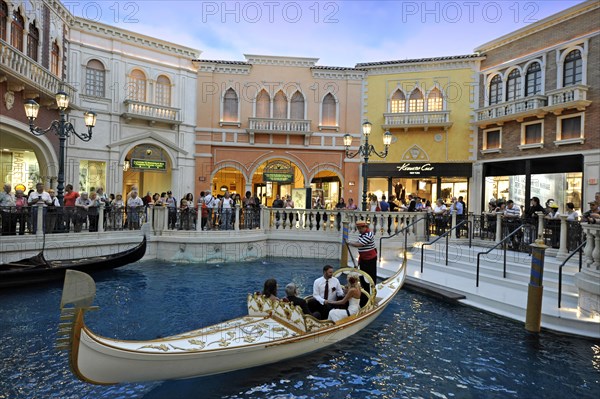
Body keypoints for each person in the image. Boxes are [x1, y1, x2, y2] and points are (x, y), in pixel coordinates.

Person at [347, 220, 377, 290]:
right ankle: (364, 290)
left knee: (369, 276)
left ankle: (371, 291)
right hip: (364, 259)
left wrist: (349, 243)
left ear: (365, 227)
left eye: (360, 228)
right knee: (362, 275)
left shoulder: (369, 234)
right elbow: (359, 242)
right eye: (358, 228)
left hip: (370, 259)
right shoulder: (362, 234)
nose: (359, 230)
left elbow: (360, 244)